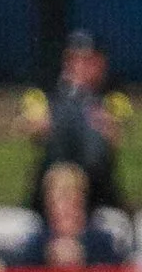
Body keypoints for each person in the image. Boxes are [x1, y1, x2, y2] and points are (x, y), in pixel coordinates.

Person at [21, 33, 127, 214]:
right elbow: (30, 124)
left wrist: (98, 116)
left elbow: (117, 129)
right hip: (52, 177)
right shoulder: (45, 91)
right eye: (75, 61)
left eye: (88, 61)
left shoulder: (113, 94)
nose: (80, 67)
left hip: (98, 187)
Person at [0, 162, 124, 272]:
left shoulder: (102, 242)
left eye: (70, 196)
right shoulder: (37, 244)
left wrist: (84, 254)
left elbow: (121, 268)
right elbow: (15, 260)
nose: (65, 206)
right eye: (58, 198)